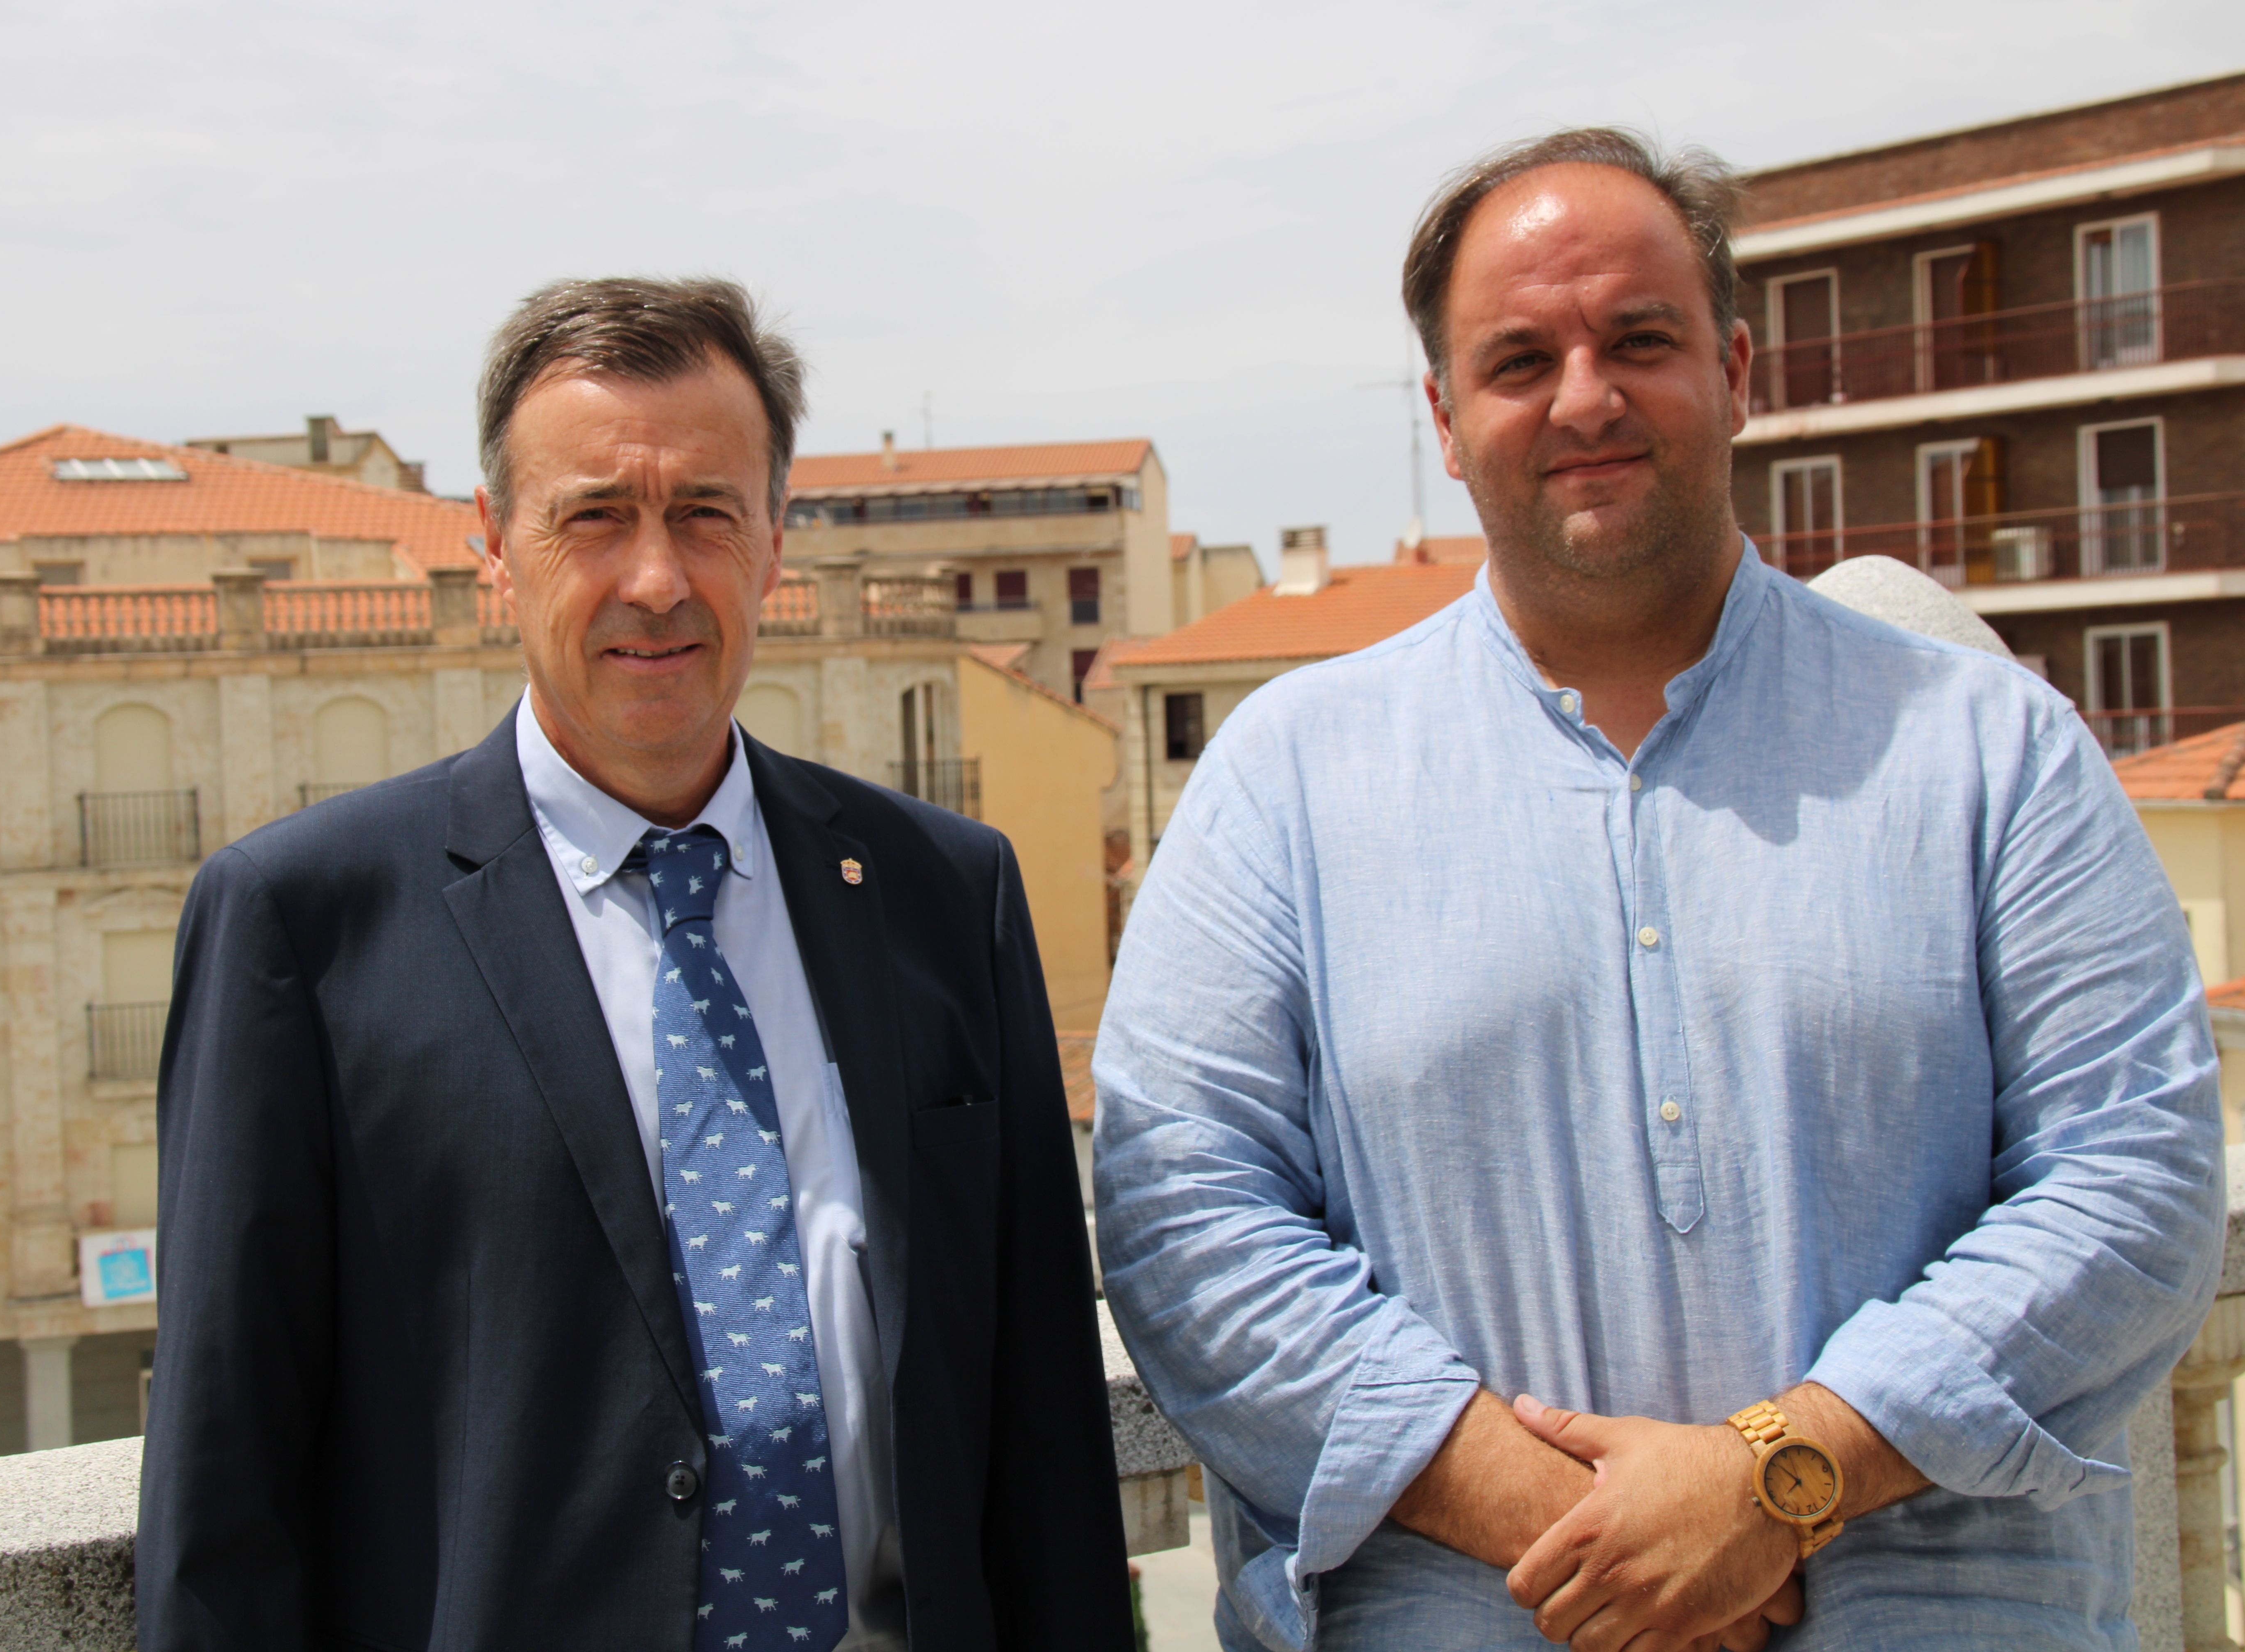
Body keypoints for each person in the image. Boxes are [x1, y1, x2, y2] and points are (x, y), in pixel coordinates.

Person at [1091, 129, 2225, 1651]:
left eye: (1640, 341)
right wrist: (1580, 1530)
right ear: (1443, 414)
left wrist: (1776, 1483)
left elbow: (2135, 1180)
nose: (1585, 399)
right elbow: (1183, 1221)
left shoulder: (1987, 745)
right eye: (1518, 360)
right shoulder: (1283, 778)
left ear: (1737, 369)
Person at [137, 277, 1133, 1651]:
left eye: (706, 515)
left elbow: (1044, 1436)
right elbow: (223, 1491)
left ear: (775, 543)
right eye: (594, 516)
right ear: (496, 548)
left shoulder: (943, 896)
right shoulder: (304, 927)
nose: (656, 580)